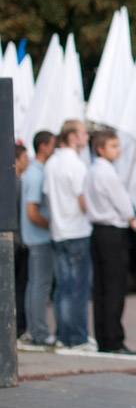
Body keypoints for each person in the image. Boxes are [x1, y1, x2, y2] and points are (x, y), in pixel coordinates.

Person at [83, 130, 136, 354]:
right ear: (100, 148)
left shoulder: (92, 171)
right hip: (112, 232)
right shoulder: (107, 174)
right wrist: (132, 217)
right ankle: (114, 340)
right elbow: (125, 207)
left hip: (98, 231)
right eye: (113, 146)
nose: (118, 150)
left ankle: (104, 337)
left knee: (102, 289)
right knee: (114, 288)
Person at [44, 120, 94, 350]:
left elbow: (47, 195)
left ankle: (63, 335)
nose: (87, 137)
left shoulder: (52, 162)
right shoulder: (75, 164)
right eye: (83, 133)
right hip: (76, 230)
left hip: (58, 230)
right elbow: (84, 199)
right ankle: (78, 337)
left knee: (63, 287)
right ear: (72, 136)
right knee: (78, 287)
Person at [19, 131, 56, 348]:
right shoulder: (36, 173)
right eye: (52, 145)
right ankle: (39, 332)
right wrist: (52, 225)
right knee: (40, 285)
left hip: (35, 237)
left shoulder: (33, 171)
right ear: (43, 146)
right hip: (39, 238)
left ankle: (35, 330)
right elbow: (32, 212)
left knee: (35, 284)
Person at [14, 144, 30, 339]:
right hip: (19, 241)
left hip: (18, 240)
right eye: (25, 158)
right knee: (20, 285)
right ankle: (19, 324)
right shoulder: (16, 183)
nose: (27, 161)